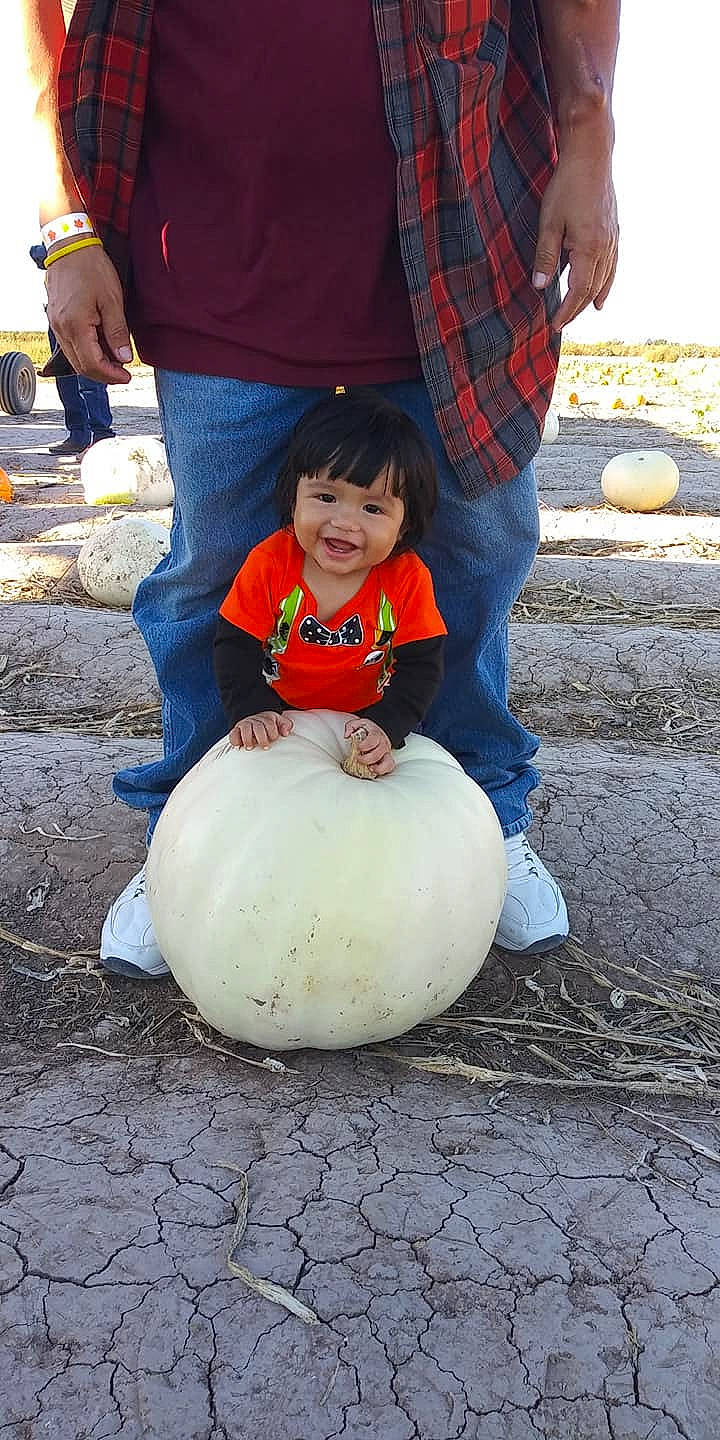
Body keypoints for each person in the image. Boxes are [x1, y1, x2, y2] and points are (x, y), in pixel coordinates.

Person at [22, 0, 620, 979]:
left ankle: (479, 815)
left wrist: (590, 134)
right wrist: (68, 225)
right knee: (217, 566)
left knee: (472, 549)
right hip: (215, 242)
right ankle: (197, 836)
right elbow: (38, 19)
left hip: (458, 226)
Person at [214, 390, 446, 772]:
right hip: (280, 723)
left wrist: (386, 726)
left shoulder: (407, 579)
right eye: (325, 497)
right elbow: (234, 645)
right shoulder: (270, 563)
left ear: (405, 525)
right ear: (294, 497)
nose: (344, 522)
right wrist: (251, 710)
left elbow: (421, 667)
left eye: (373, 508)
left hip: (366, 722)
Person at [29, 244, 115, 457]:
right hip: (59, 312)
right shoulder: (58, 228)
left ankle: (102, 436)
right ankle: (78, 434)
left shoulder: (92, 231)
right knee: (64, 377)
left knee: (90, 378)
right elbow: (38, 254)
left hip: (88, 310)